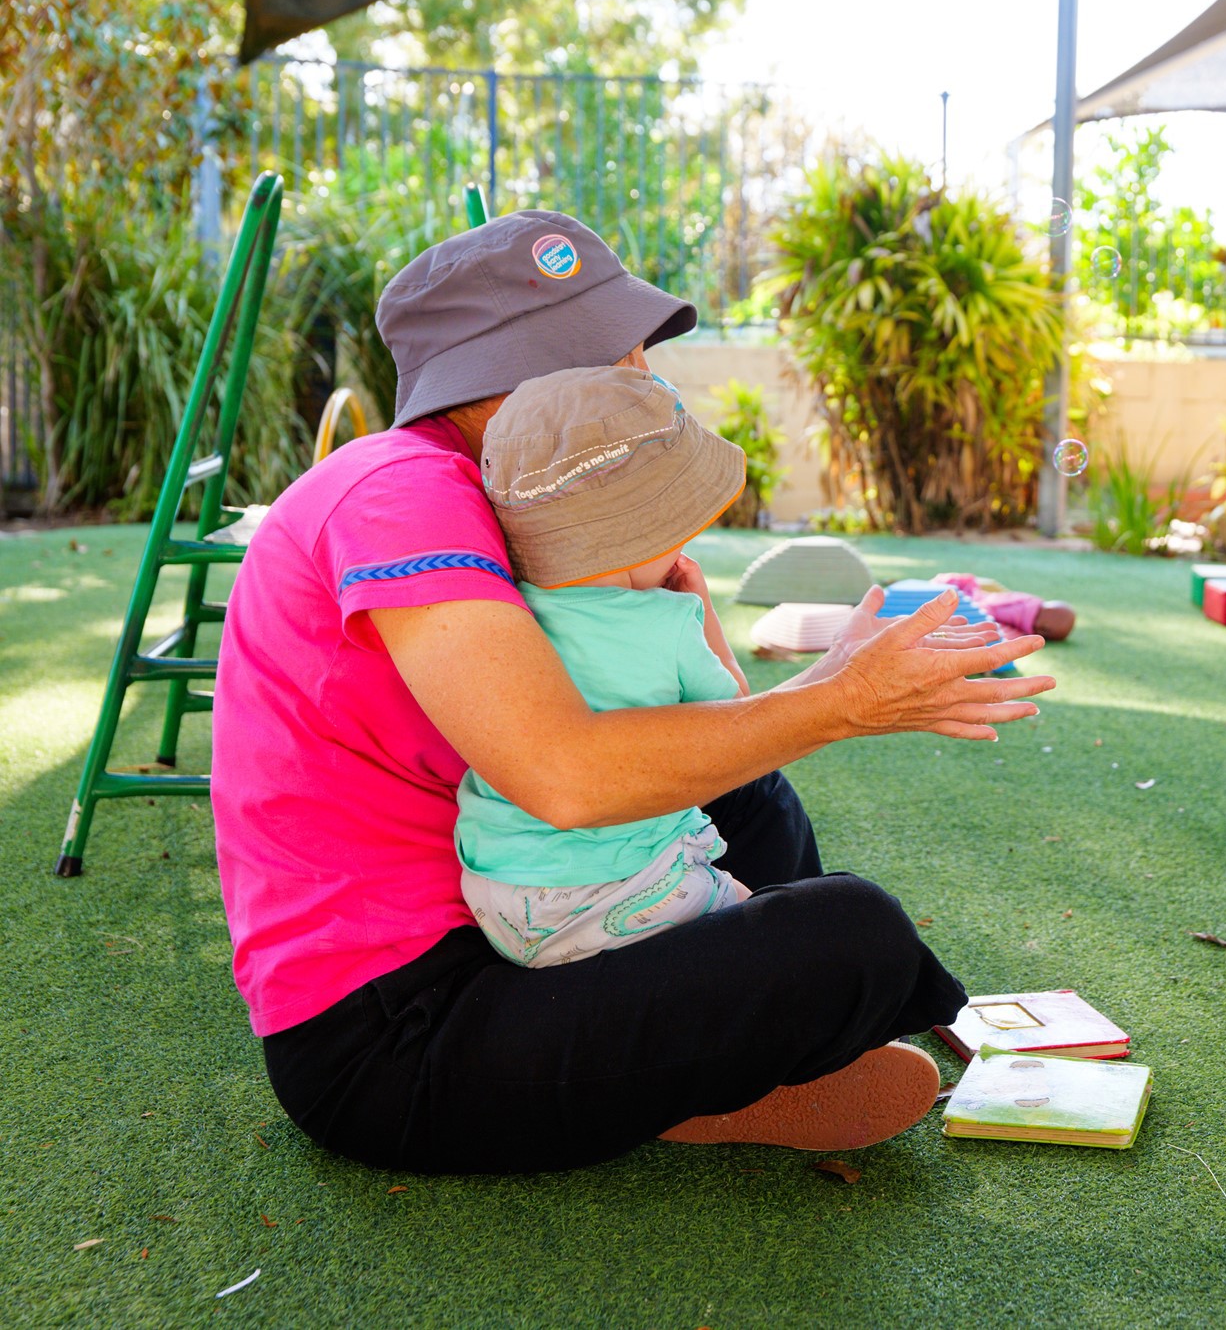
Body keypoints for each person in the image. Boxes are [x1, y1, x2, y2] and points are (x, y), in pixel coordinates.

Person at [211, 211, 1054, 1174]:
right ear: (514, 373)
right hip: (395, 1035)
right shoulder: (401, 491)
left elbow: (664, 728)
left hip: (520, 927)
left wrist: (826, 676)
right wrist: (841, 700)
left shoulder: (494, 487)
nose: (645, 380)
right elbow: (564, 776)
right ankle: (714, 1072)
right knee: (858, 934)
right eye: (616, 355)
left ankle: (716, 1061)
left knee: (751, 795)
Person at [455, 365, 758, 968]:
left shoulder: (506, 608)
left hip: (496, 895)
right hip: (616, 889)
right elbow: (738, 718)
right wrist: (701, 611)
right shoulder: (668, 621)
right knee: (762, 920)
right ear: (644, 535)